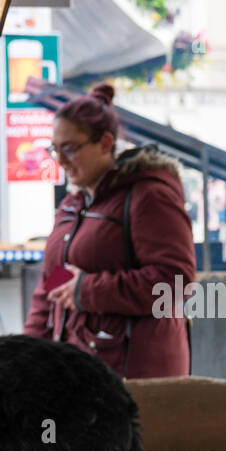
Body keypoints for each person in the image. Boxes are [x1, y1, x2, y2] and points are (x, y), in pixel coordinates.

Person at [25, 83, 193, 381]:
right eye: (55, 149)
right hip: (79, 371)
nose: (60, 159)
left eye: (70, 148)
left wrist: (88, 290)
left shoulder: (148, 194)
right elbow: (53, 285)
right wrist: (27, 354)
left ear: (105, 143)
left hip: (139, 373)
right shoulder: (72, 204)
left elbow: (175, 283)